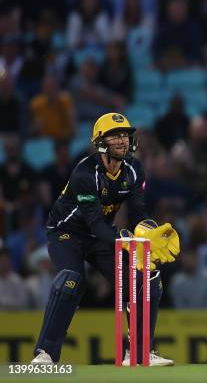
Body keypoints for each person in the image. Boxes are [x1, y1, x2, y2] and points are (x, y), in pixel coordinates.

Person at [31, 113, 180, 366]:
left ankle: (138, 352)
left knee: (146, 276)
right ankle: (45, 354)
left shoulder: (134, 169)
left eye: (125, 135)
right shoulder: (84, 173)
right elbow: (95, 224)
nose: (122, 141)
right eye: (115, 136)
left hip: (101, 236)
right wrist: (127, 239)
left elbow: (138, 214)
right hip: (67, 232)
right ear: (100, 142)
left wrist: (149, 233)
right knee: (71, 279)